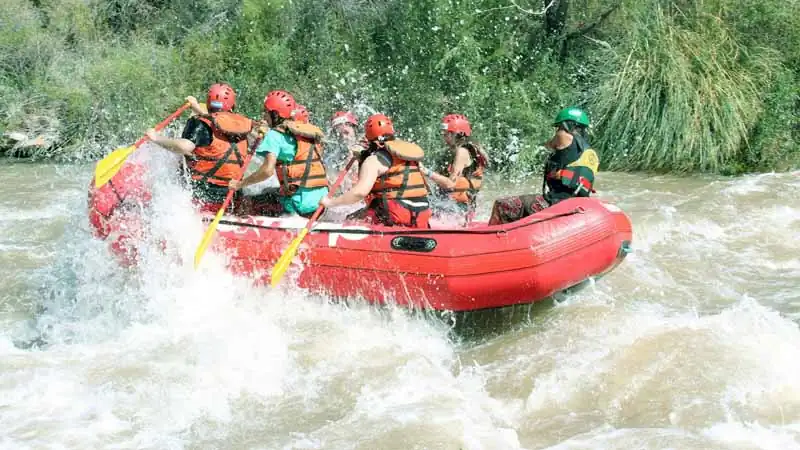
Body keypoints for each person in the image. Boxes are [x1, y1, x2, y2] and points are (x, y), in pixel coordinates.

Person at [145, 83, 254, 212]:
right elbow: (219, 121)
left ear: (208, 103)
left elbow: (184, 146)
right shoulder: (245, 128)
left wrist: (156, 138)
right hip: (231, 198)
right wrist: (197, 107)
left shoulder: (200, 123)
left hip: (202, 196)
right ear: (232, 105)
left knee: (183, 163)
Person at [488, 106, 599, 225]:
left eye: (559, 127)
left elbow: (548, 145)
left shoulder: (563, 135)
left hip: (555, 203)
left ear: (564, 125)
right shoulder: (589, 152)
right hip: (577, 203)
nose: (557, 130)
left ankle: (490, 237)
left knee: (501, 204)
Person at [228, 90, 330, 217]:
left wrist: (240, 184)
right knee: (269, 191)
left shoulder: (274, 135)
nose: (264, 116)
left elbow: (267, 171)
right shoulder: (305, 132)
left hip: (299, 205)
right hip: (322, 202)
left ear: (275, 114)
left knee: (248, 200)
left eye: (266, 112)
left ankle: (239, 229)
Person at [320, 113, 432, 228]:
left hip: (397, 215)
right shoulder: (408, 155)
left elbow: (359, 193)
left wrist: (331, 203)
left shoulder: (374, 160)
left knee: (350, 220)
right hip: (421, 214)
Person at [419, 113, 488, 220]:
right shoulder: (461, 150)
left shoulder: (462, 152)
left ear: (455, 134)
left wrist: (426, 171)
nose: (444, 138)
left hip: (459, 210)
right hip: (457, 206)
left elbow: (451, 184)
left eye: (446, 134)